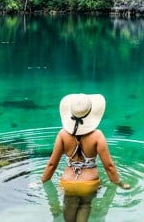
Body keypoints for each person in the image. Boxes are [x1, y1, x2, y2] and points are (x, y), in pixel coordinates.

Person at [41, 93, 130, 222]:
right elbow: (109, 166)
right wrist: (119, 183)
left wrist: (42, 181)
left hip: (68, 183)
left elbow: (51, 165)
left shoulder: (62, 134)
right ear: (91, 114)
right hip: (89, 184)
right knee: (85, 205)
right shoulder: (97, 136)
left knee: (69, 207)